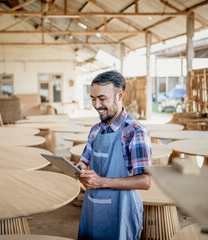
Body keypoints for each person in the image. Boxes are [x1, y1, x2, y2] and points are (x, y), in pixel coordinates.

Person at [75, 71, 152, 240]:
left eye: (102, 99)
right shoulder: (96, 130)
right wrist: (80, 168)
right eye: (93, 98)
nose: (96, 104)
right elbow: (84, 160)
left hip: (122, 208)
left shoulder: (135, 132)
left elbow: (146, 181)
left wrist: (101, 182)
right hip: (93, 205)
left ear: (119, 96)